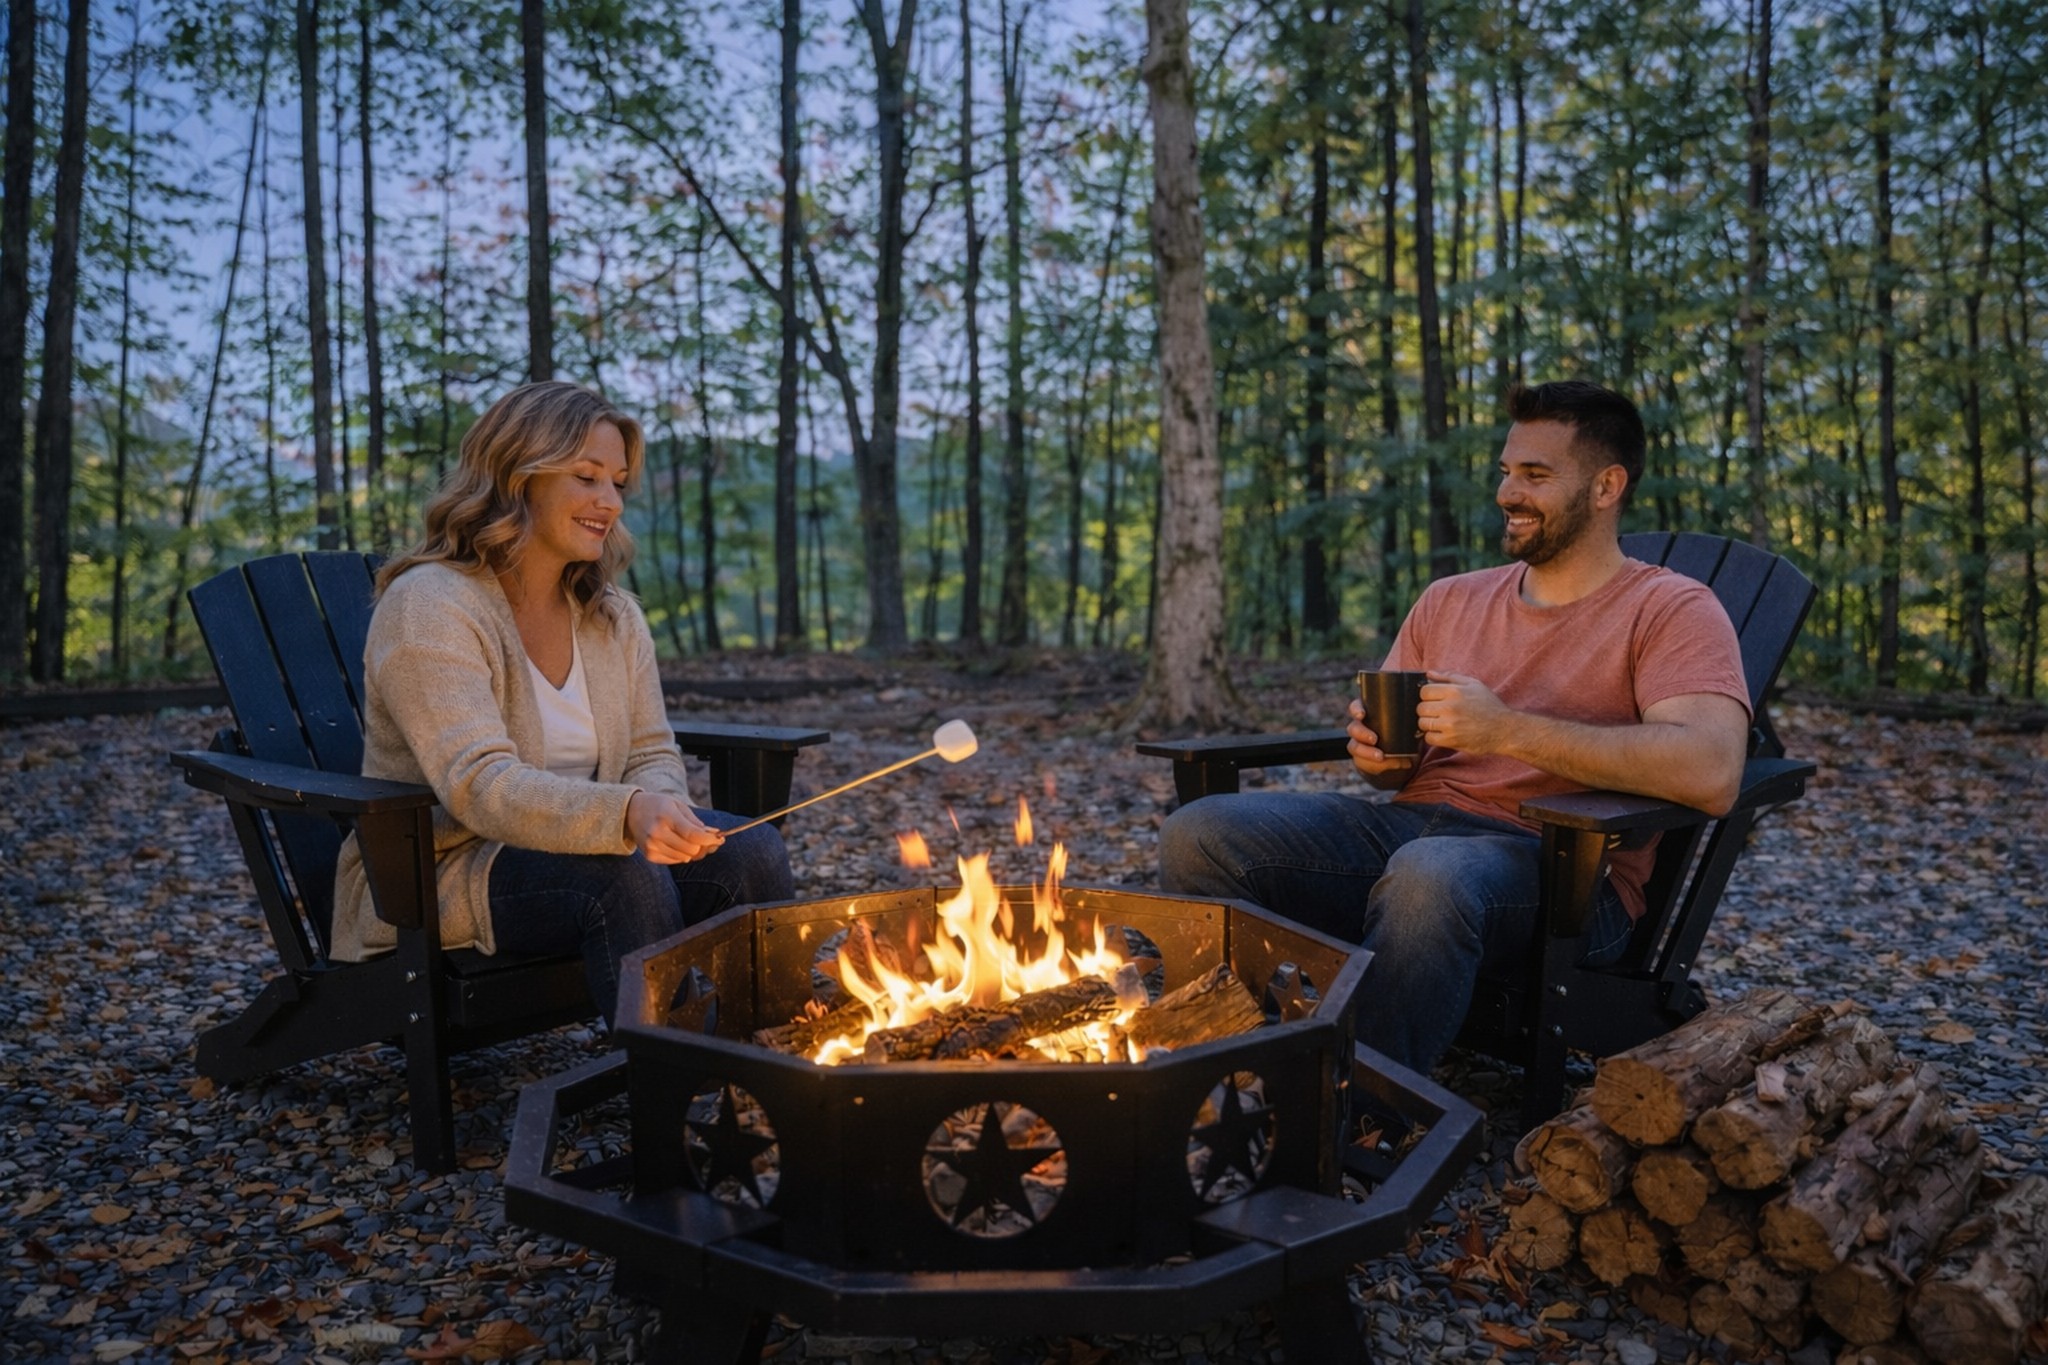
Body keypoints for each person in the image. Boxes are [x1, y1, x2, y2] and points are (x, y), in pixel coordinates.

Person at [1159, 380, 1751, 1076]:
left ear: (1605, 487)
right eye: (1505, 470)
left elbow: (1712, 770)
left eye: (1535, 474)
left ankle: (1357, 1105)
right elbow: (1390, 772)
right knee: (1198, 833)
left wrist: (1505, 730)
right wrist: (1376, 755)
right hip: (1414, 831)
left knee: (1428, 873)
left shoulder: (1672, 608)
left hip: (1564, 871)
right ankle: (1223, 1062)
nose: (1507, 492)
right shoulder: (1450, 599)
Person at [330, 381, 793, 1026]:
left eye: (618, 483)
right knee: (623, 875)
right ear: (518, 477)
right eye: (586, 477)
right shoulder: (430, 606)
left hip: (602, 852)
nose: (609, 502)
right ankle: (673, 1089)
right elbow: (478, 785)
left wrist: (665, 815)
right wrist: (627, 816)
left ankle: (770, 1063)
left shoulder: (611, 615)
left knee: (753, 850)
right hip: (445, 871)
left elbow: (650, 751)